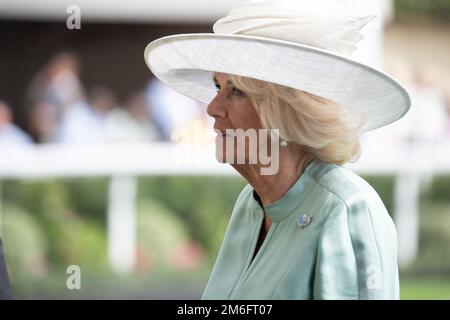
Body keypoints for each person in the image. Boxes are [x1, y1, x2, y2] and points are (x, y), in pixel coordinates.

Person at [144, 0, 411, 299]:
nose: (213, 107)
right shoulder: (251, 203)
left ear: (285, 110)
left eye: (236, 91)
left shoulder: (346, 209)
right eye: (218, 88)